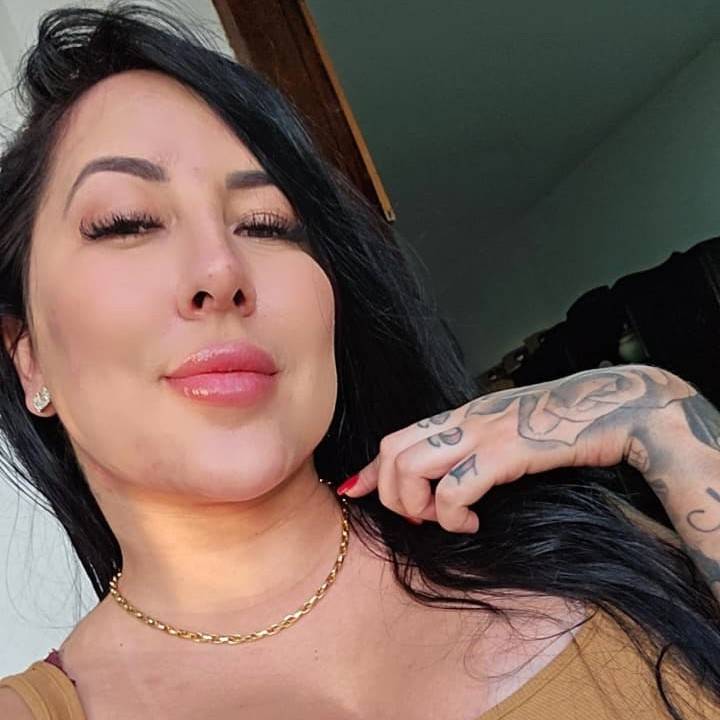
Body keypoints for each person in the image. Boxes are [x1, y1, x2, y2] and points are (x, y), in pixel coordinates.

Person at [0, 3, 718, 719]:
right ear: (28, 358)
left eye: (266, 225)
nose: (221, 269)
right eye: (125, 222)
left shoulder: (572, 546)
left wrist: (660, 414)